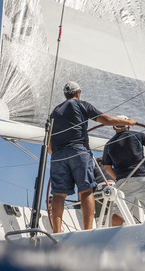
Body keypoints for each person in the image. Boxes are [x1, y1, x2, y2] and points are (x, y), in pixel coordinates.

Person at [48, 81, 136, 233]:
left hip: (57, 156)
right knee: (86, 189)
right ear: (78, 93)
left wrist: (59, 155)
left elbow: (49, 143)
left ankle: (56, 231)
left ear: (65, 94)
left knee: (58, 194)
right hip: (78, 151)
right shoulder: (81, 105)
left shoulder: (54, 112)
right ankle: (88, 230)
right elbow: (107, 120)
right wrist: (128, 122)